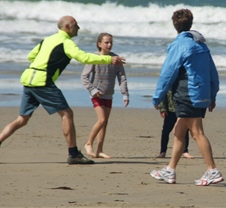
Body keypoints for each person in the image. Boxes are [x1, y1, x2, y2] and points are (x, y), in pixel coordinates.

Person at [0, 16, 125, 165]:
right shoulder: (66, 43)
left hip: (29, 79)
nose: (78, 27)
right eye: (75, 25)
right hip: (42, 82)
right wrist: (109, 60)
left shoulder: (47, 40)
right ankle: (73, 154)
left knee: (22, 119)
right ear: (67, 27)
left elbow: (31, 56)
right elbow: (84, 57)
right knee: (67, 114)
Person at [150, 9, 223, 186]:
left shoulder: (179, 45)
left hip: (187, 93)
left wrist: (157, 97)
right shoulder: (202, 45)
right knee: (178, 132)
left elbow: (168, 73)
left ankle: (212, 170)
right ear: (190, 23)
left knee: (197, 133)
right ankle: (170, 170)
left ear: (174, 25)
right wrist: (212, 94)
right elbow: (213, 72)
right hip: (201, 93)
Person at [81, 32, 129, 159]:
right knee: (101, 120)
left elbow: (122, 78)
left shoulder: (116, 58)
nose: (109, 44)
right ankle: (88, 143)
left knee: (105, 122)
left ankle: (99, 150)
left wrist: (125, 94)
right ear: (99, 44)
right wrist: (92, 90)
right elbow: (84, 77)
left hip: (109, 94)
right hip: (97, 94)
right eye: (106, 42)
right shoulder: (94, 58)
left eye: (111, 42)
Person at [156, 89, 194, 159]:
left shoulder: (184, 82)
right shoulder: (169, 82)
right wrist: (163, 109)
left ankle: (185, 151)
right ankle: (163, 152)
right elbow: (163, 94)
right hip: (170, 110)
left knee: (184, 131)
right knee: (165, 131)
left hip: (182, 110)